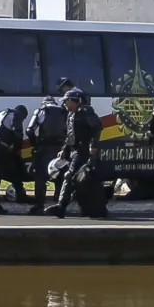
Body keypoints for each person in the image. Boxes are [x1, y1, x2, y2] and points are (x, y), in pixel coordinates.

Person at [48, 88, 105, 218]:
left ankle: (61, 206)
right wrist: (64, 149)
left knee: (70, 176)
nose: (65, 104)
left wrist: (93, 146)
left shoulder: (86, 112)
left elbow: (97, 128)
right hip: (74, 151)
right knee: (81, 180)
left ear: (75, 101)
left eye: (67, 101)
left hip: (84, 151)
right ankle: (88, 208)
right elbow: (70, 135)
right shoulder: (71, 114)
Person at [26, 87, 70, 213]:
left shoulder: (41, 111)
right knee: (60, 176)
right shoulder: (64, 112)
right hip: (60, 148)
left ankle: (39, 205)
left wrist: (35, 144)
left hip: (44, 148)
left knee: (40, 177)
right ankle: (58, 202)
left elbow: (29, 130)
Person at [0, 104, 31, 214]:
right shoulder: (16, 115)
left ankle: (20, 195)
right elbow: (18, 134)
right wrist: (17, 148)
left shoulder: (3, 113)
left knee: (12, 168)